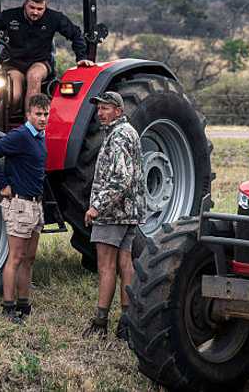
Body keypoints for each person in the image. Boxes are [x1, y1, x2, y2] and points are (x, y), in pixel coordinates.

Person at [81, 91, 144, 340]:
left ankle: (100, 322)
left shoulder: (117, 137)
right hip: (129, 212)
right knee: (125, 265)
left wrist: (97, 205)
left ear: (119, 111)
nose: (100, 113)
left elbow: (121, 179)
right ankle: (127, 322)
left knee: (106, 266)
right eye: (99, 109)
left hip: (113, 213)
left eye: (106, 108)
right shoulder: (129, 132)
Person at [0, 93, 50, 323]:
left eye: (46, 114)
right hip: (20, 204)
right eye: (38, 114)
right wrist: (3, 184)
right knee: (15, 257)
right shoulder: (20, 135)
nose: (43, 118)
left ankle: (24, 305)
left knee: (29, 257)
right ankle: (8, 308)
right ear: (28, 114)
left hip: (36, 205)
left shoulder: (40, 137)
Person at [0, 0, 94, 116]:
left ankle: (31, 127)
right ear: (26, 4)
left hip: (40, 62)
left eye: (40, 9)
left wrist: (81, 58)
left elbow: (75, 34)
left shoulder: (54, 18)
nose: (35, 12)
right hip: (15, 64)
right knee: (14, 95)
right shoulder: (10, 15)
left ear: (45, 6)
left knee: (33, 76)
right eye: (32, 8)